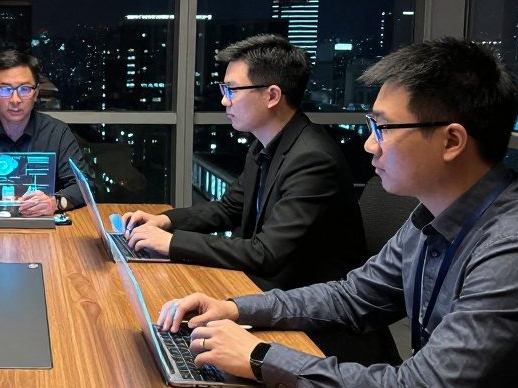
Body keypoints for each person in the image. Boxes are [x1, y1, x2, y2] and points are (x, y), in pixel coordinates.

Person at [159, 38, 518, 388]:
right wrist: (235, 308)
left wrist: (257, 356)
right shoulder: (433, 216)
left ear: (452, 140)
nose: (368, 144)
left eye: (382, 127)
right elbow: (352, 296)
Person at [120, 34, 386, 362]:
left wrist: (170, 243)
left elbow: (266, 254)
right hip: (271, 295)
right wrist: (166, 221)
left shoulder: (312, 159)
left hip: (317, 327)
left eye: (231, 90)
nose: (224, 101)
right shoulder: (265, 144)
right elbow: (230, 207)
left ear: (272, 95)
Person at [0, 48, 92, 216]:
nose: (15, 100)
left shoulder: (57, 133)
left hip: (41, 229)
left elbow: (84, 186)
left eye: (24, 89)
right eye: (5, 90)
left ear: (36, 93)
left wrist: (54, 202)